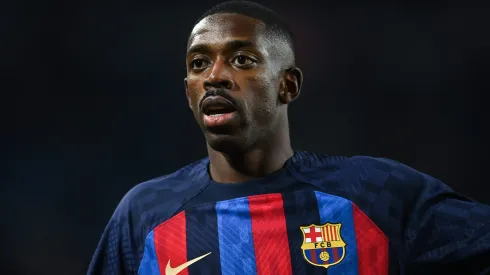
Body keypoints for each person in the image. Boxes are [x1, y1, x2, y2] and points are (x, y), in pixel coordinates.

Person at [87, 1, 490, 274]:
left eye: (241, 59)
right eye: (199, 63)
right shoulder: (146, 214)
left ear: (288, 85)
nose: (214, 76)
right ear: (188, 90)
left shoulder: (377, 193)